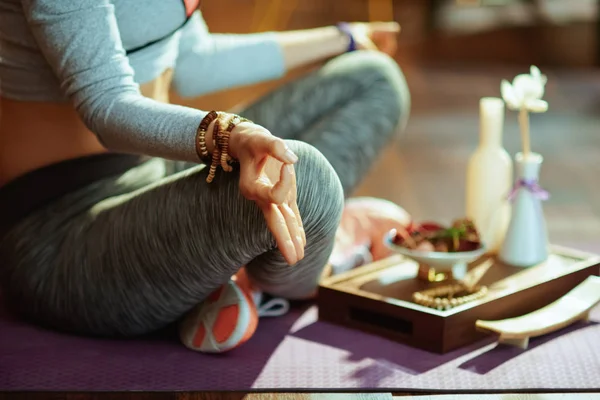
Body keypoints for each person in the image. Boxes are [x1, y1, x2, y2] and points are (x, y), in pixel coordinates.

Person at [0, 0, 411, 353]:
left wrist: (345, 37)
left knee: (376, 79)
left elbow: (192, 61)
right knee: (309, 179)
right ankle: (320, 250)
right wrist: (230, 134)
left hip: (152, 169)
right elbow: (107, 109)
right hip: (59, 233)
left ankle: (228, 279)